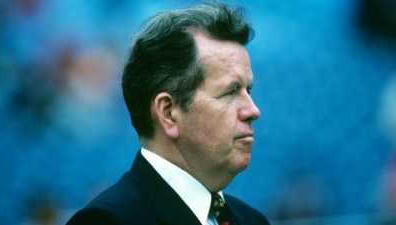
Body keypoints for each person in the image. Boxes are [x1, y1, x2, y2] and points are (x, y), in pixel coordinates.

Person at [66, 2, 269, 225]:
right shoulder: (107, 221)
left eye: (248, 90)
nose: (253, 110)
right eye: (230, 91)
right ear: (169, 113)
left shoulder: (252, 220)